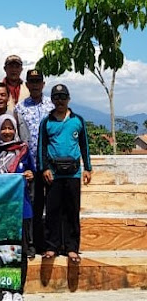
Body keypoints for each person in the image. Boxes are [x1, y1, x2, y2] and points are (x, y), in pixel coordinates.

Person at [38, 84, 92, 263]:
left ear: (69, 99)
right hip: (53, 172)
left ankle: (72, 248)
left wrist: (88, 168)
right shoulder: (47, 122)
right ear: (52, 100)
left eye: (63, 97)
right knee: (52, 211)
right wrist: (44, 168)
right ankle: (52, 246)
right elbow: (41, 147)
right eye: (56, 97)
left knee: (71, 210)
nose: (60, 101)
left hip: (73, 172)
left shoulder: (78, 120)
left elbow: (84, 145)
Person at [0, 114, 34, 301]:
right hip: (1, 211)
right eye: (3, 128)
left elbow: (33, 172)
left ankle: (18, 291)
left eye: (10, 128)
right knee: (4, 250)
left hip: (22, 208)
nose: (7, 132)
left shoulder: (24, 151)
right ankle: (6, 289)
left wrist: (31, 174)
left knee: (21, 251)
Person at [14, 69, 54, 256]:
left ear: (43, 84)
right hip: (30, 165)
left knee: (52, 205)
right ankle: (32, 243)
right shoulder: (20, 108)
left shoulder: (52, 105)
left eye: (38, 81)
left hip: (50, 165)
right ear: (27, 84)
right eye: (32, 81)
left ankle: (50, 244)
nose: (35, 84)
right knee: (32, 205)